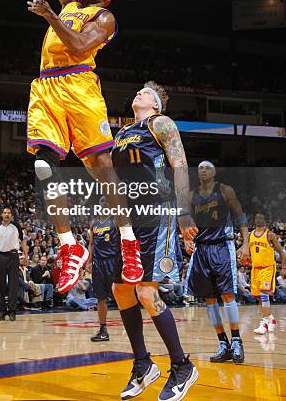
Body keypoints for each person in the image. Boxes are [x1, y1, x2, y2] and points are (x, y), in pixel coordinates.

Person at [26, 0, 144, 294]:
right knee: (44, 165)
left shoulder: (103, 18)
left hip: (79, 84)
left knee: (102, 168)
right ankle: (69, 247)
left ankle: (129, 241)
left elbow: (78, 47)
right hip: (46, 85)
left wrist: (49, 17)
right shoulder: (69, 4)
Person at [111, 82, 198, 401]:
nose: (139, 93)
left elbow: (179, 165)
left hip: (158, 211)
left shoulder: (160, 123)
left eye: (146, 92)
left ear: (157, 105)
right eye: (138, 91)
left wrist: (184, 213)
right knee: (120, 289)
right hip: (131, 218)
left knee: (146, 290)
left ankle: (181, 366)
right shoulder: (120, 134)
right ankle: (143, 365)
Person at [184, 161, 250, 365]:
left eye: (207, 167)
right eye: (200, 168)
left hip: (222, 246)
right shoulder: (191, 195)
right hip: (201, 248)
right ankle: (223, 343)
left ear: (214, 172)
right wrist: (187, 239)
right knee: (209, 299)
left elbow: (240, 216)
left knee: (227, 294)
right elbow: (185, 220)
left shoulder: (225, 190)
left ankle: (237, 341)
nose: (202, 170)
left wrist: (246, 243)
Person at [86, 196, 118, 342]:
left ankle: (132, 327)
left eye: (106, 201)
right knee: (101, 297)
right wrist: (89, 261)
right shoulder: (94, 223)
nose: (104, 203)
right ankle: (103, 330)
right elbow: (91, 244)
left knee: (121, 296)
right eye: (102, 201)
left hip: (113, 261)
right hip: (98, 263)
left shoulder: (116, 220)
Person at [248, 213, 286, 334]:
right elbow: (249, 251)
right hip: (255, 269)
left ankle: (264, 323)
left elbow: (281, 251)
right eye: (256, 218)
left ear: (265, 220)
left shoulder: (270, 234)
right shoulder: (250, 235)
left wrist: (283, 267)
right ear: (254, 220)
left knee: (264, 294)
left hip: (267, 268)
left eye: (261, 218)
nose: (258, 219)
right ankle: (270, 318)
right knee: (259, 297)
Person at [0, 207, 28, 322]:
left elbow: (23, 242)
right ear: (1, 214)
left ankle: (12, 312)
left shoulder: (16, 227)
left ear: (11, 215)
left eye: (9, 213)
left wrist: (26, 256)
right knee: (0, 284)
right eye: (5, 213)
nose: (7, 214)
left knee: (13, 284)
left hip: (13, 256)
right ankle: (1, 311)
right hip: (0, 256)